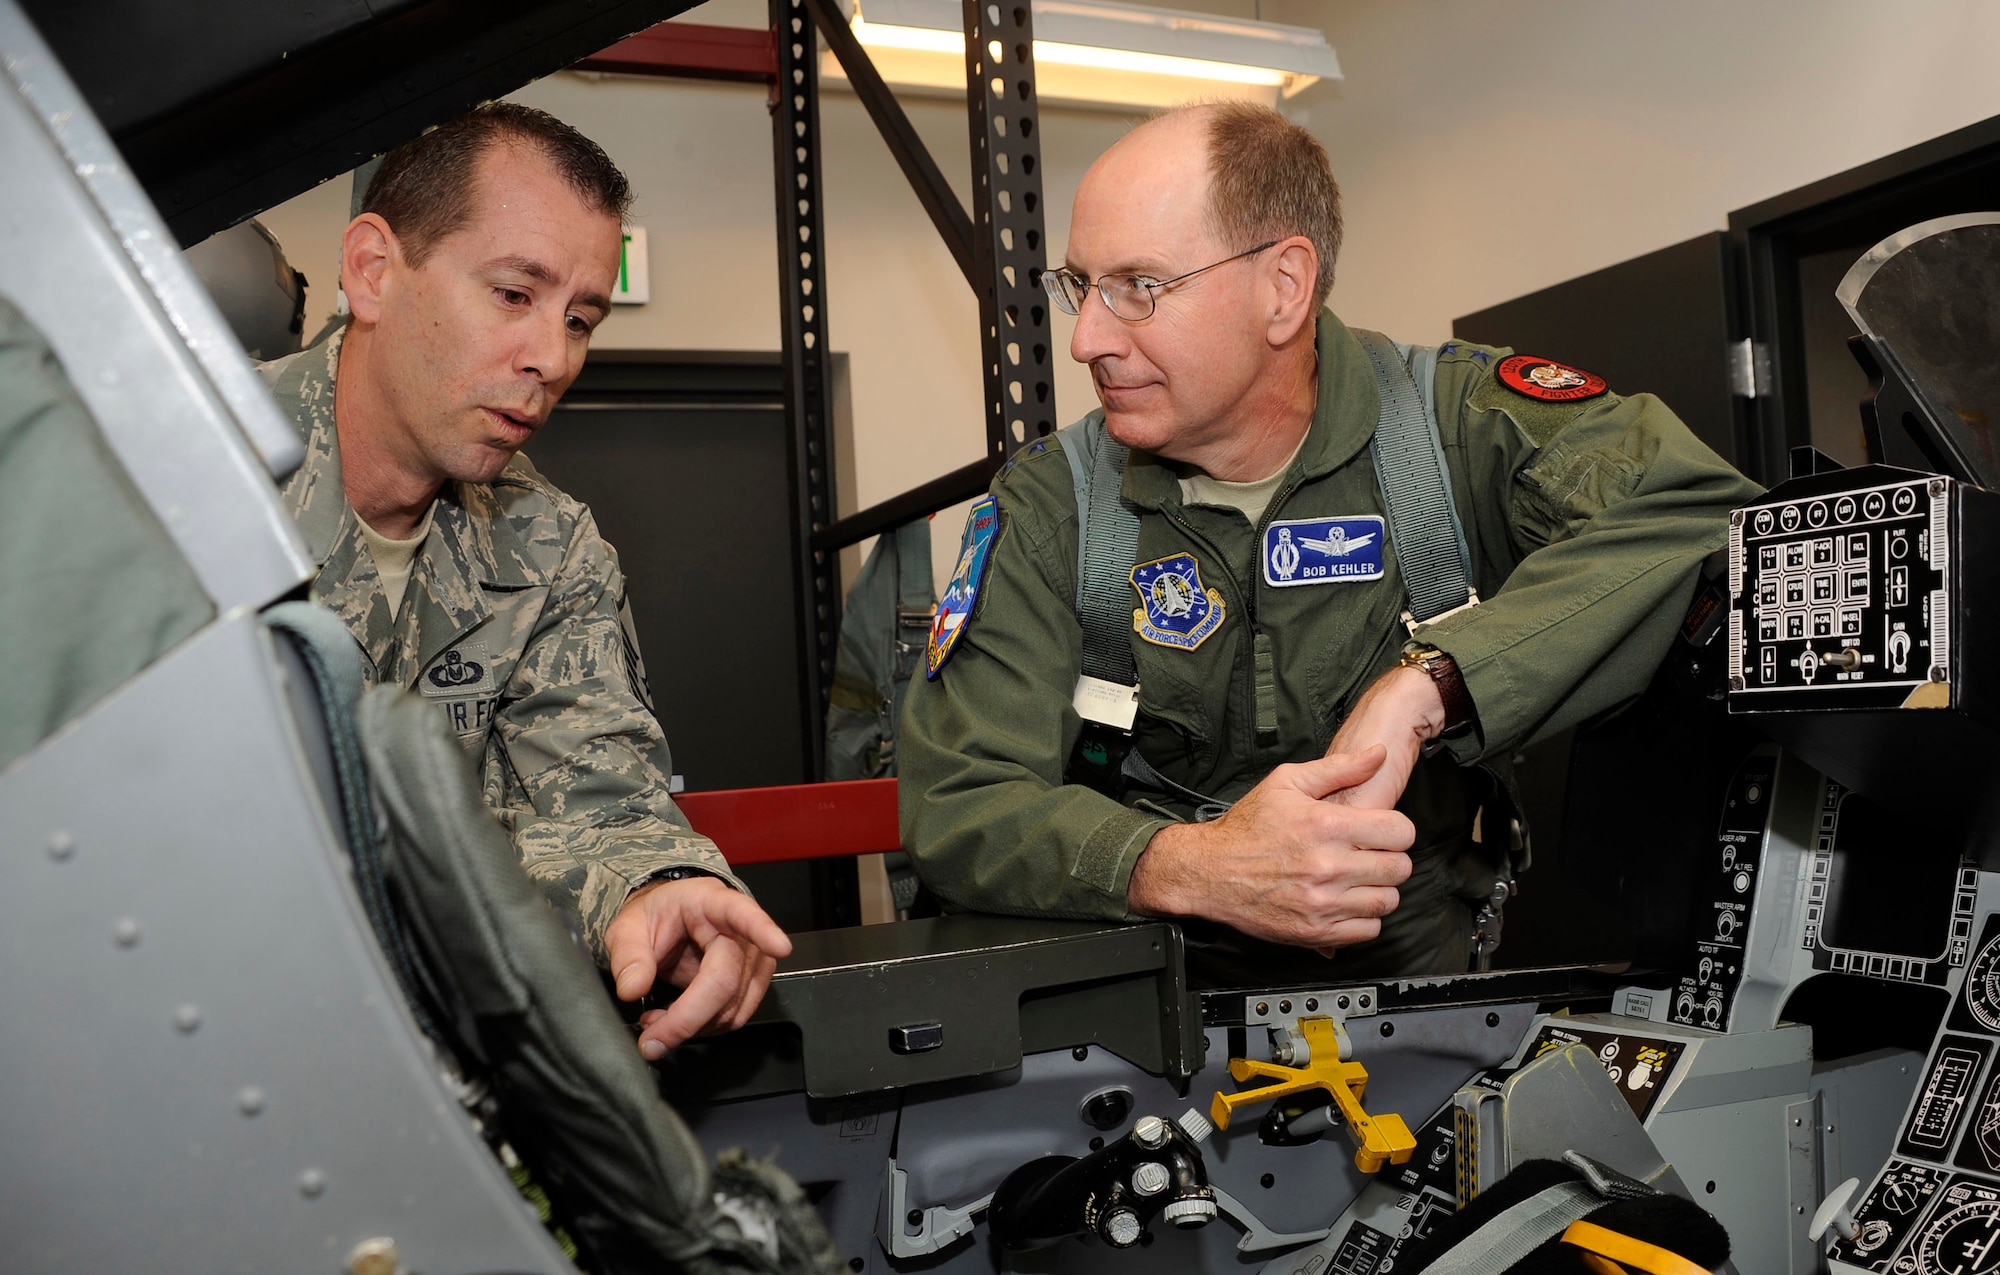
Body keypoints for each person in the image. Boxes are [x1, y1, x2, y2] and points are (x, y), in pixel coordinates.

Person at [898, 102, 1759, 977]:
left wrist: (1432, 683)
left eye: (1139, 289)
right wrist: (1196, 867)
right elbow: (957, 803)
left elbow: (1705, 514)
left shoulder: (1455, 430)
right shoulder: (1054, 506)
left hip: (1414, 971)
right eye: (1083, 286)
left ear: (1284, 287)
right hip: (1148, 981)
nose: (1085, 340)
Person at [258, 104, 789, 1054]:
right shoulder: (182, 480)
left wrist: (659, 887)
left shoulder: (549, 546)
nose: (554, 357)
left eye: (581, 318)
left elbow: (592, 795)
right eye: (513, 295)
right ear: (374, 270)